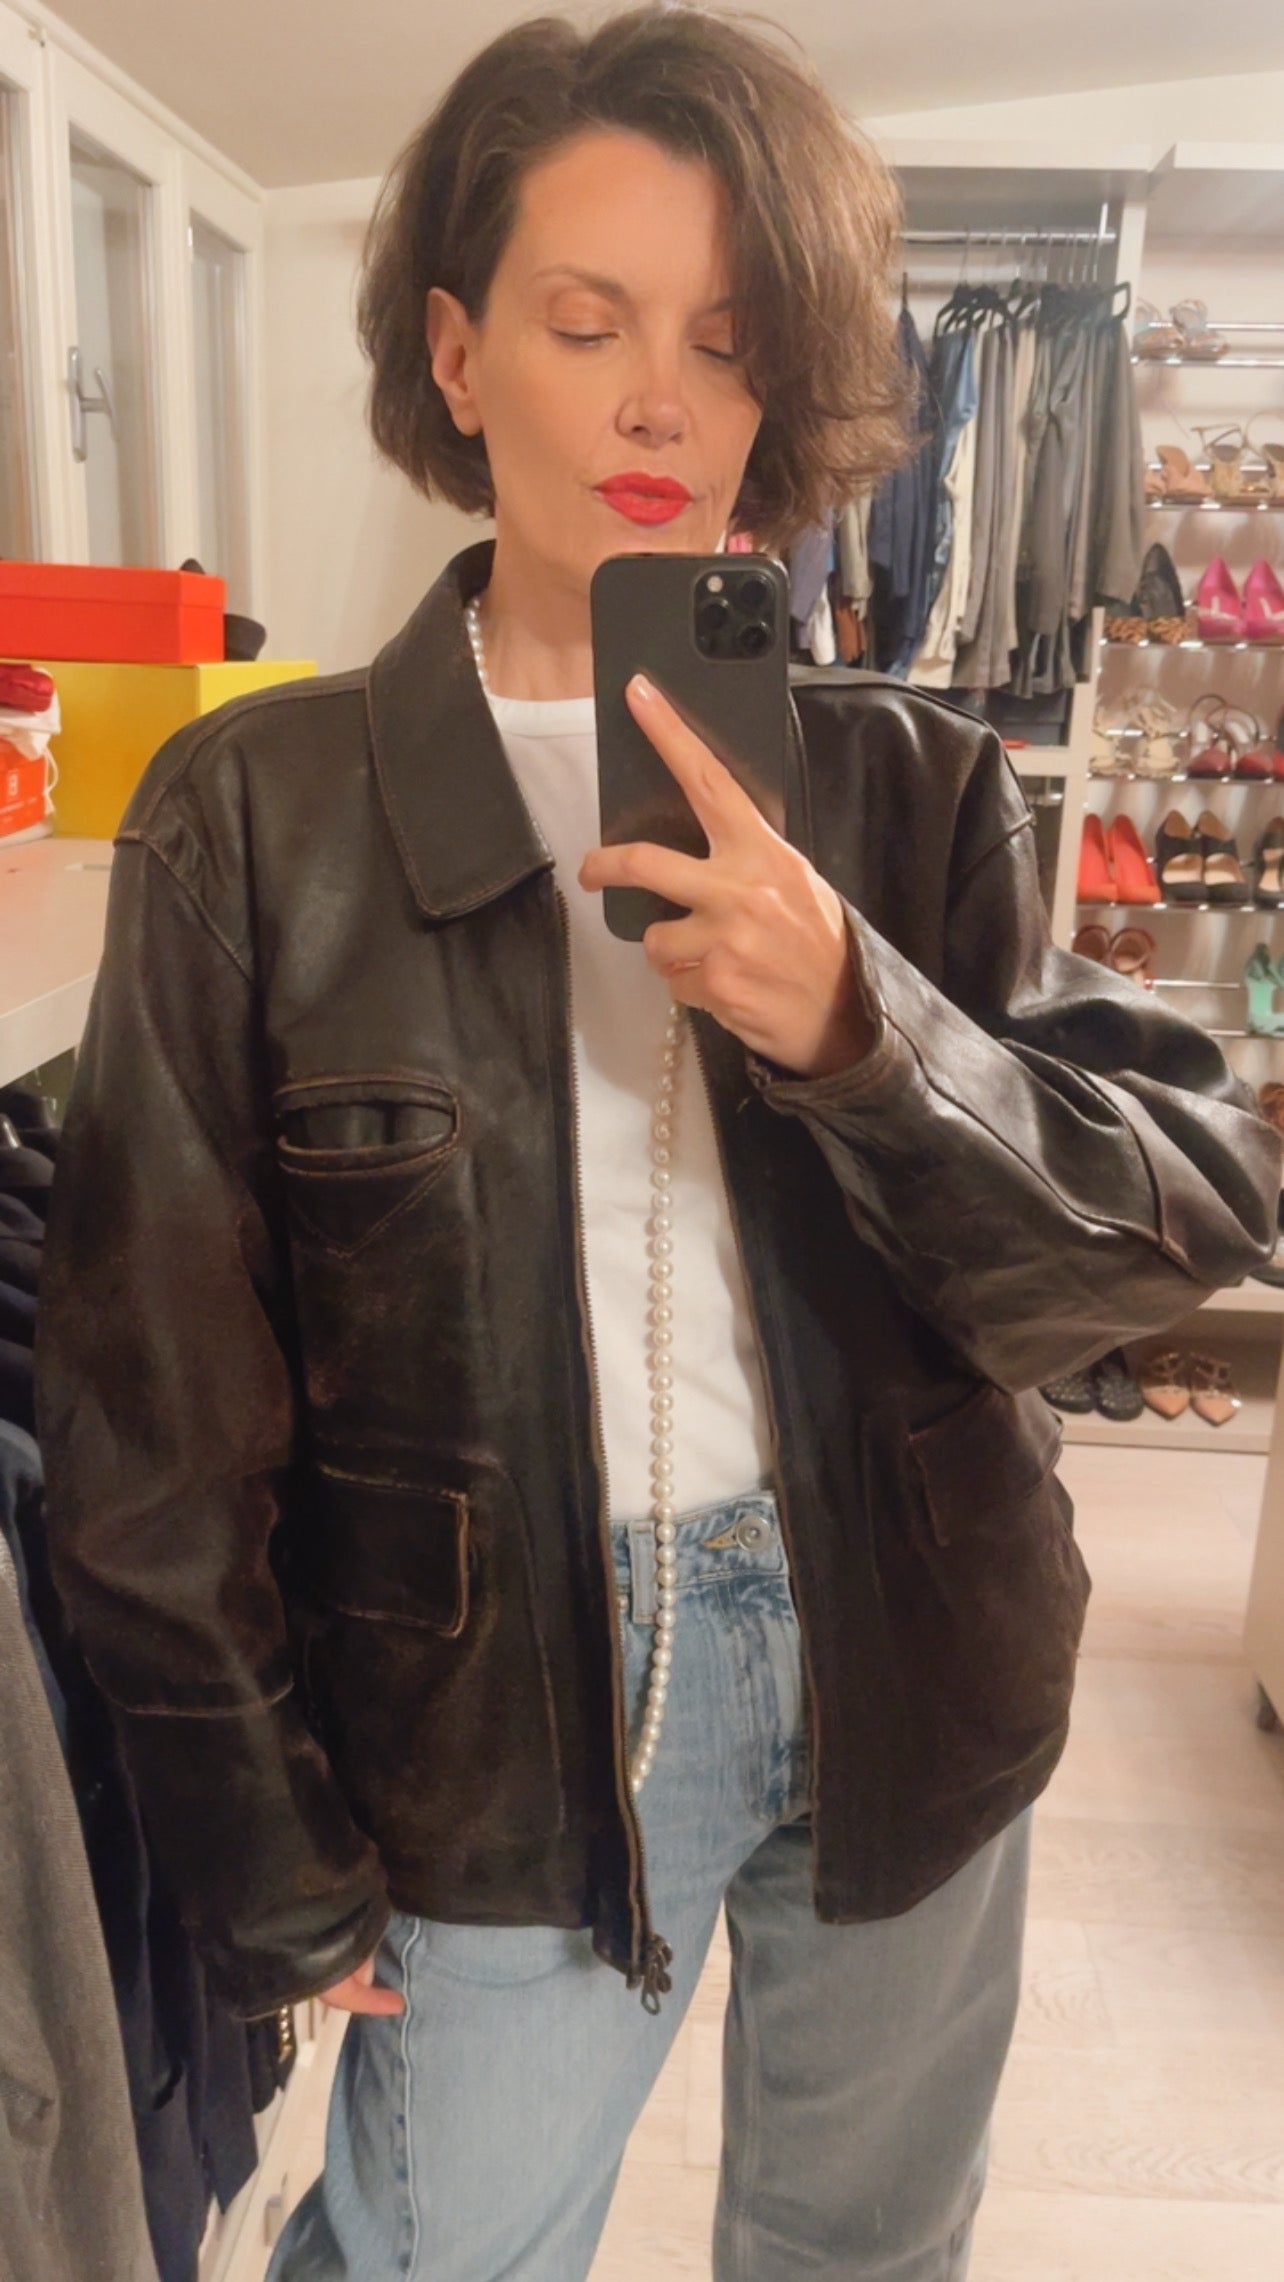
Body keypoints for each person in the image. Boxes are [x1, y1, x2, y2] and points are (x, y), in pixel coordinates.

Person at [36, 9, 1281, 2280]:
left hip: (911, 1627)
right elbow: (152, 1425)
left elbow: (1155, 1231)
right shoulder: (261, 815)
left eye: (724, 342)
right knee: (440, 2251)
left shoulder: (910, 784)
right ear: (457, 351)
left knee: (864, 2246)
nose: (656, 405)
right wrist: (271, 1858)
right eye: (584, 320)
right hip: (491, 1704)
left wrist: (864, 1032)